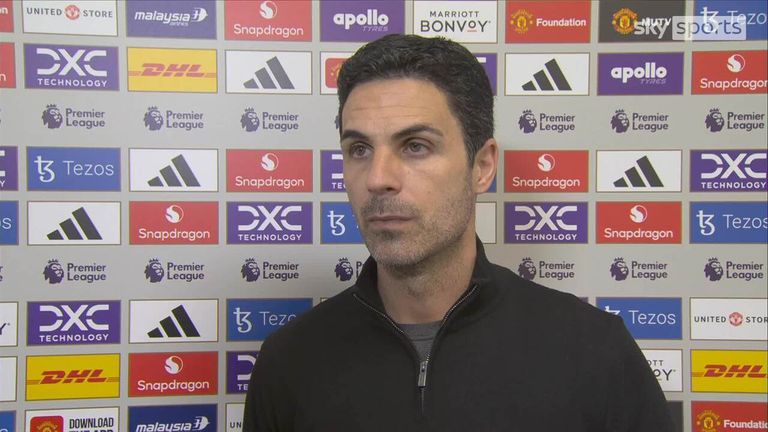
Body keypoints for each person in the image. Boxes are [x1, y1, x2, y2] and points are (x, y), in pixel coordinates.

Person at [243, 34, 674, 432]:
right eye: (359, 149)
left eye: (416, 146)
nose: (377, 178)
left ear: (481, 167)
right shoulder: (289, 362)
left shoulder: (594, 352)